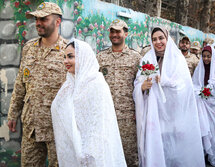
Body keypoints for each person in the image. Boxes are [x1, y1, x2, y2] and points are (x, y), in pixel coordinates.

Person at [133, 26, 205, 167]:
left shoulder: (177, 59)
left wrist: (165, 82)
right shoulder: (147, 59)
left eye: (161, 38)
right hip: (154, 116)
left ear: (167, 39)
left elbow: (185, 87)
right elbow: (138, 82)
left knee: (174, 151)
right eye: (154, 39)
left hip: (174, 116)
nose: (158, 42)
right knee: (156, 148)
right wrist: (142, 87)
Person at [7, 2, 67, 166]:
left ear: (57, 22)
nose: (38, 23)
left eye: (43, 19)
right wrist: (13, 113)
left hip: (57, 127)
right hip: (31, 125)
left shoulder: (68, 51)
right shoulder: (29, 48)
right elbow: (20, 84)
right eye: (36, 19)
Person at [51, 39, 127, 167]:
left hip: (92, 152)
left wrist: (86, 149)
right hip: (73, 149)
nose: (65, 61)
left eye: (70, 57)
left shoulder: (97, 83)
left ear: (83, 57)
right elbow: (58, 109)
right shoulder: (69, 84)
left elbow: (99, 122)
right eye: (64, 57)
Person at [96, 19, 142, 166]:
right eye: (112, 31)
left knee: (129, 156)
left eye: (118, 31)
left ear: (126, 34)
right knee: (106, 155)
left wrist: (139, 110)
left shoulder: (136, 58)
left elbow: (141, 87)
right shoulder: (100, 57)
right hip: (105, 115)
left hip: (127, 117)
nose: (115, 34)